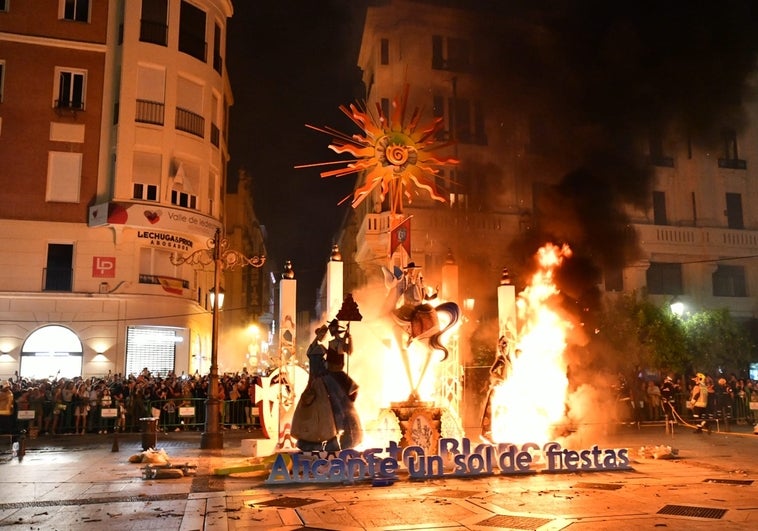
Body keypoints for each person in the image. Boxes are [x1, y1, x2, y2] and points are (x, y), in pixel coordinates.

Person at [292, 322, 362, 452]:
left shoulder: (326, 347)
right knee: (322, 412)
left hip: (327, 379)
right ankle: (320, 441)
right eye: (323, 333)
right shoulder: (320, 348)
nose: (326, 334)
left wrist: (348, 338)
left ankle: (334, 440)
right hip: (321, 381)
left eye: (329, 331)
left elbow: (347, 351)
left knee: (334, 408)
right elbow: (314, 353)